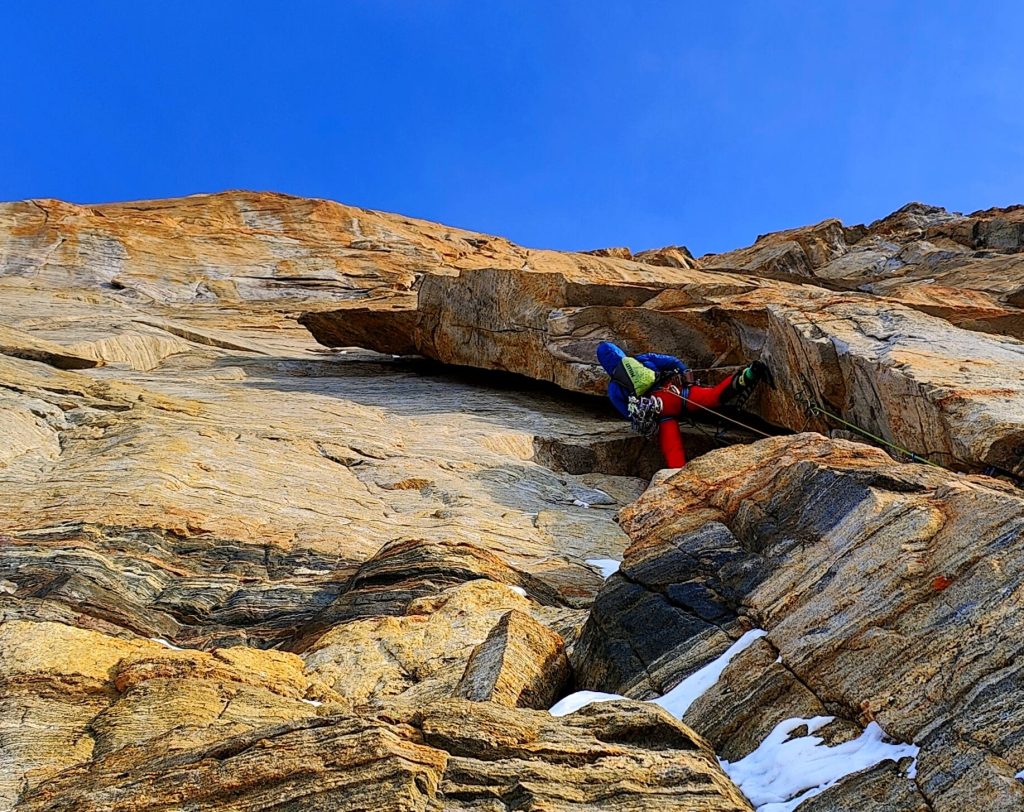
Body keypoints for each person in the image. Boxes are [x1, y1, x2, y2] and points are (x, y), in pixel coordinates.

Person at [596, 341, 770, 468]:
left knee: (673, 451)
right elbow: (672, 361)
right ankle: (748, 374)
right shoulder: (642, 360)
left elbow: (628, 413)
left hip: (662, 414)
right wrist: (685, 377)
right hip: (677, 393)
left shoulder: (614, 388)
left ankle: (678, 483)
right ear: (620, 352)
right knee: (714, 396)